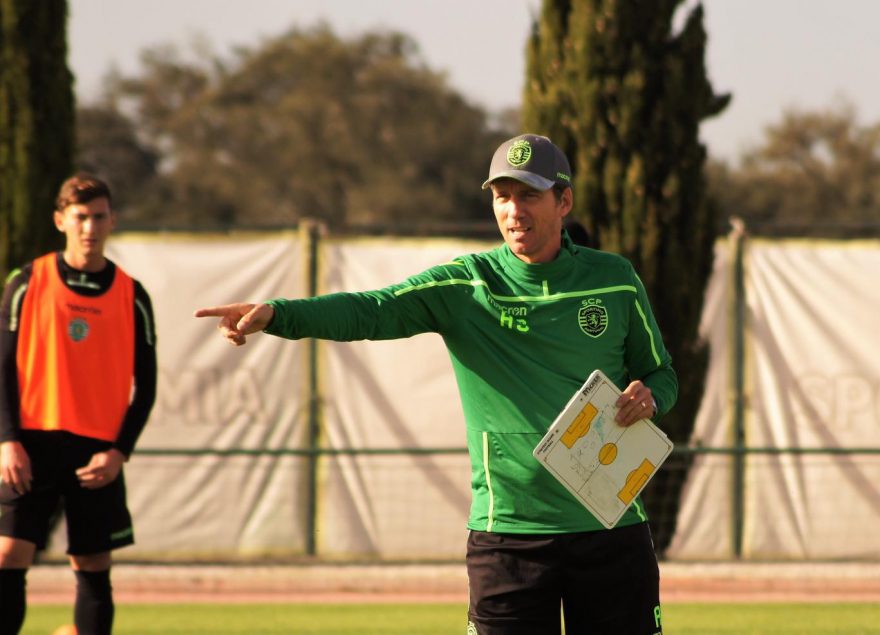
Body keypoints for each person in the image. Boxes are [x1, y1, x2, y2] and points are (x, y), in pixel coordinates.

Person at [195, 133, 676, 635]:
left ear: (564, 201)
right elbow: (372, 309)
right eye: (502, 196)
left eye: (529, 195)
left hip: (612, 531)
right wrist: (278, 314)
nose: (514, 211)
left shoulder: (614, 279)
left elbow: (661, 373)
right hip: (509, 538)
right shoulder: (467, 285)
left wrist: (650, 397)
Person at [0, 174, 158, 635]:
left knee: (92, 562)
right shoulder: (27, 282)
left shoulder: (132, 294)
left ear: (113, 221)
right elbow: (2, 367)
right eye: (81, 217)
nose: (90, 227)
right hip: (30, 446)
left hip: (96, 452)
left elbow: (146, 385)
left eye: (99, 217)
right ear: (60, 220)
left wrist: (119, 451)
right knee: (8, 553)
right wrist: (7, 440)